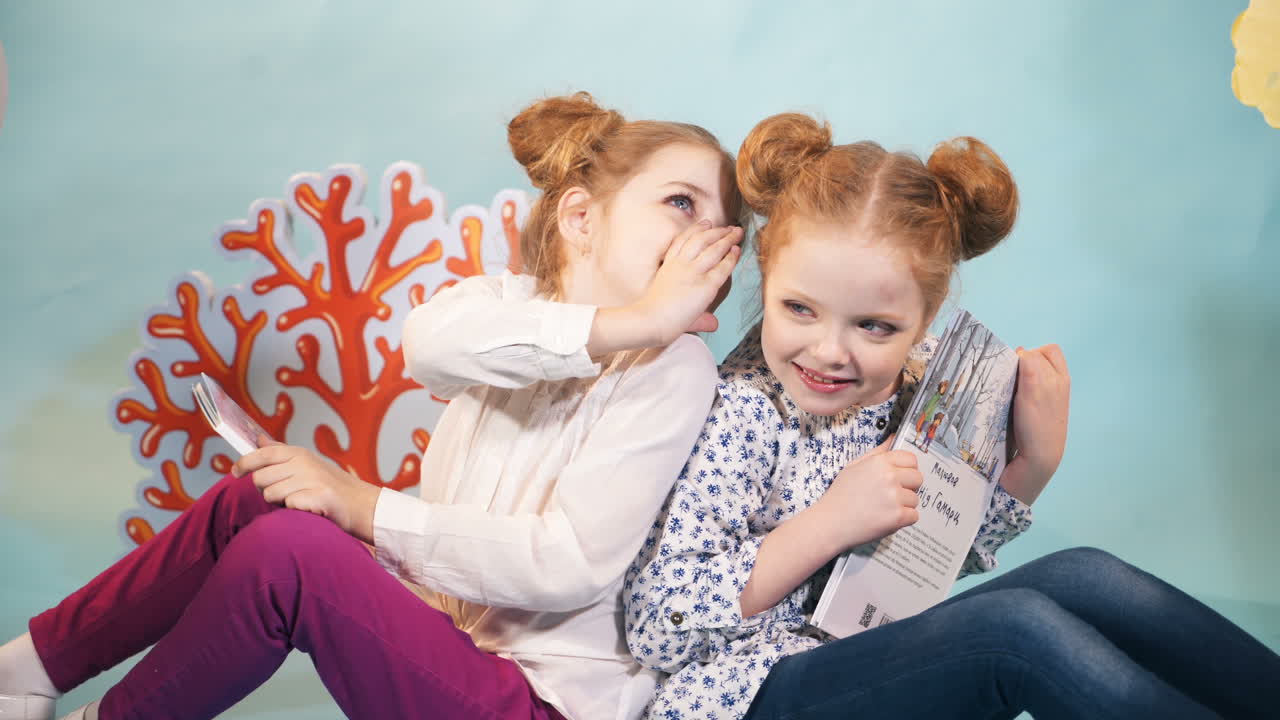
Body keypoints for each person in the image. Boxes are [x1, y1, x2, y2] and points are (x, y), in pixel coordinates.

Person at [0, 92, 747, 720]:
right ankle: (25, 673)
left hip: (539, 702)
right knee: (257, 498)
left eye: (721, 227)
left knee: (292, 553)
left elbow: (569, 564)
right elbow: (428, 347)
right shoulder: (509, 305)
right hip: (451, 640)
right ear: (581, 218)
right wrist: (631, 322)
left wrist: (364, 506)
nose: (703, 237)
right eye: (680, 203)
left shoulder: (675, 368)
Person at [623, 112, 1280, 719]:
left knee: (1086, 574)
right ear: (765, 276)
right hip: (743, 695)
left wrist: (1032, 466)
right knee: (1014, 636)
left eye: (875, 326)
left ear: (925, 320)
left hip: (856, 654)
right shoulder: (736, 411)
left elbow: (914, 567)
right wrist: (831, 523)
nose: (829, 350)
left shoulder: (924, 381)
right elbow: (658, 623)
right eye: (798, 308)